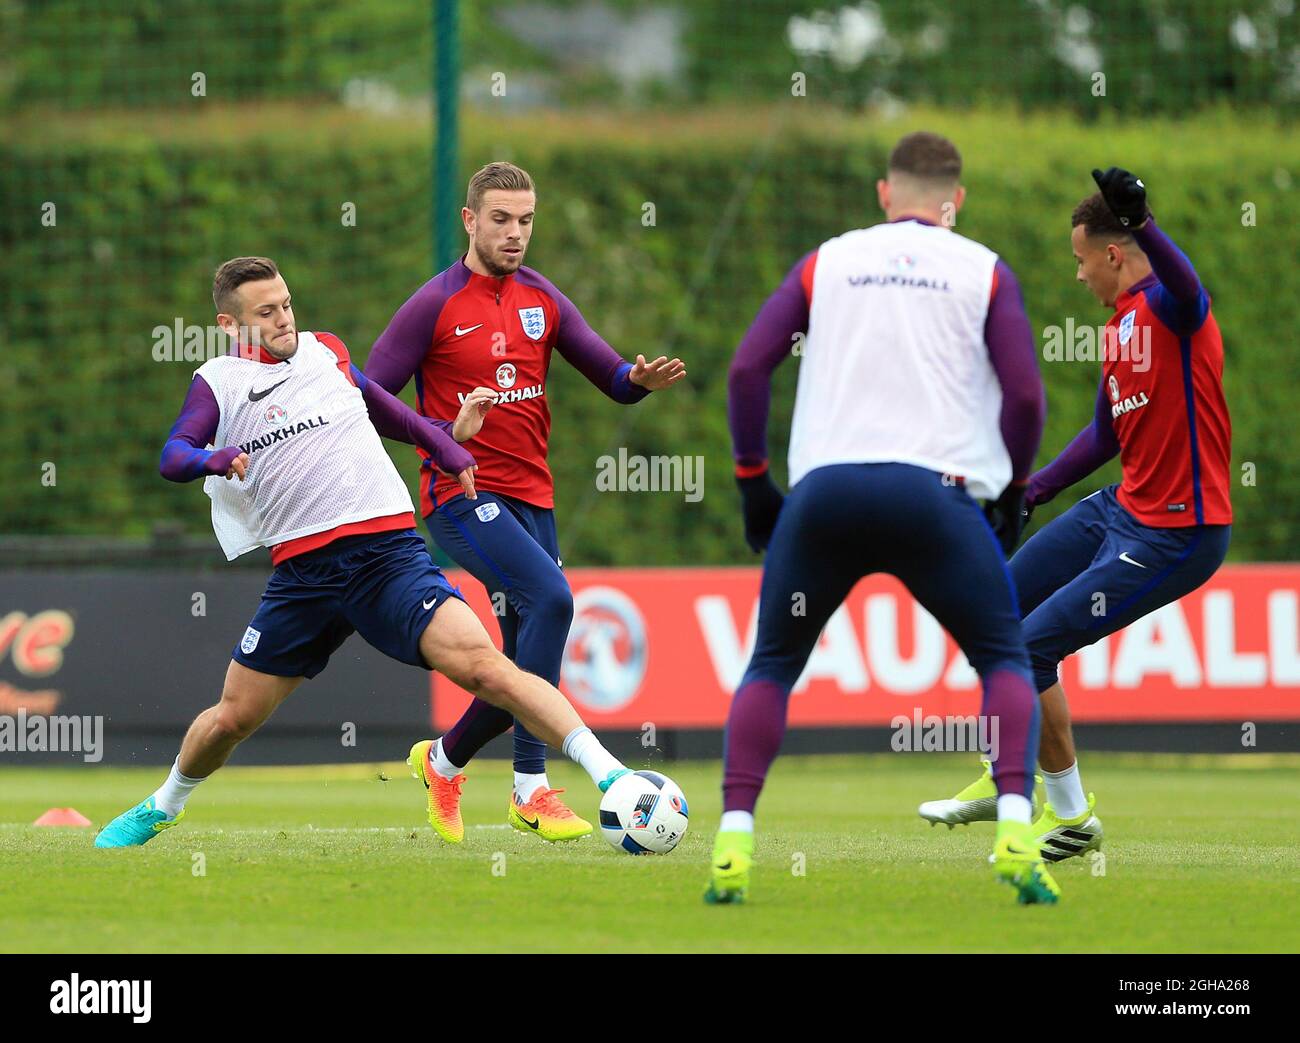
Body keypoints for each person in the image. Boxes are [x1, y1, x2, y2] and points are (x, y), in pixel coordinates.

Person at [94, 256, 628, 847]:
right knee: (233, 718)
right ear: (230, 325)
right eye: (265, 312)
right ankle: (163, 804)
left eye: (286, 304)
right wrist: (208, 458)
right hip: (304, 575)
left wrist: (446, 441)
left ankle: (614, 777)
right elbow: (173, 454)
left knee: (488, 668)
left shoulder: (326, 352)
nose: (283, 319)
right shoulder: (218, 381)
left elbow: (385, 409)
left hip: (388, 559)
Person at [705, 132, 1055, 904]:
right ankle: (1016, 827)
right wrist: (1012, 488)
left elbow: (745, 368)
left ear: (883, 194)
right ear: (954, 203)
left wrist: (752, 481)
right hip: (933, 497)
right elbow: (1028, 397)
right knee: (1002, 656)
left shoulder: (828, 260)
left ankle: (732, 838)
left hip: (825, 495)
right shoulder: (984, 269)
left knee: (770, 665)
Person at [365, 162, 685, 843]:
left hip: (533, 501)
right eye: (502, 219)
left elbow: (612, 377)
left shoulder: (543, 298)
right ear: (470, 220)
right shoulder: (434, 304)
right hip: (462, 494)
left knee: (518, 671)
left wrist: (639, 379)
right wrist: (445, 434)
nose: (515, 233)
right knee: (556, 598)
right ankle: (530, 789)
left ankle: (444, 759)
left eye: (526, 220)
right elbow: (368, 397)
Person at [919, 168, 1232, 862]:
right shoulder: (1120, 328)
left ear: (1113, 253)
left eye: (1080, 259)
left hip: (1180, 530)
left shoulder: (1172, 310)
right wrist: (1028, 491)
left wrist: (1145, 219)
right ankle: (1033, 791)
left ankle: (1051, 806)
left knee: (1031, 646)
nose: (1077, 273)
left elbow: (1190, 288)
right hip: (1121, 509)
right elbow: (1105, 437)